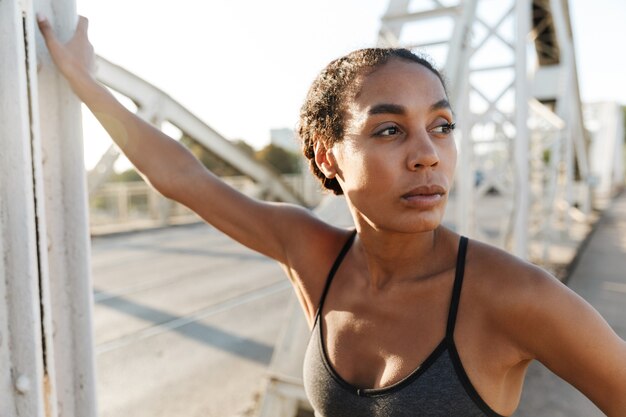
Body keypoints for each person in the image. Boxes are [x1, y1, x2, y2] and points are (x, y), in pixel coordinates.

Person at [37, 14, 626, 417]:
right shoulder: (312, 254)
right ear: (328, 156)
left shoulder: (513, 293)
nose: (427, 154)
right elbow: (185, 179)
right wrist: (85, 83)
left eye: (442, 126)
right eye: (389, 129)